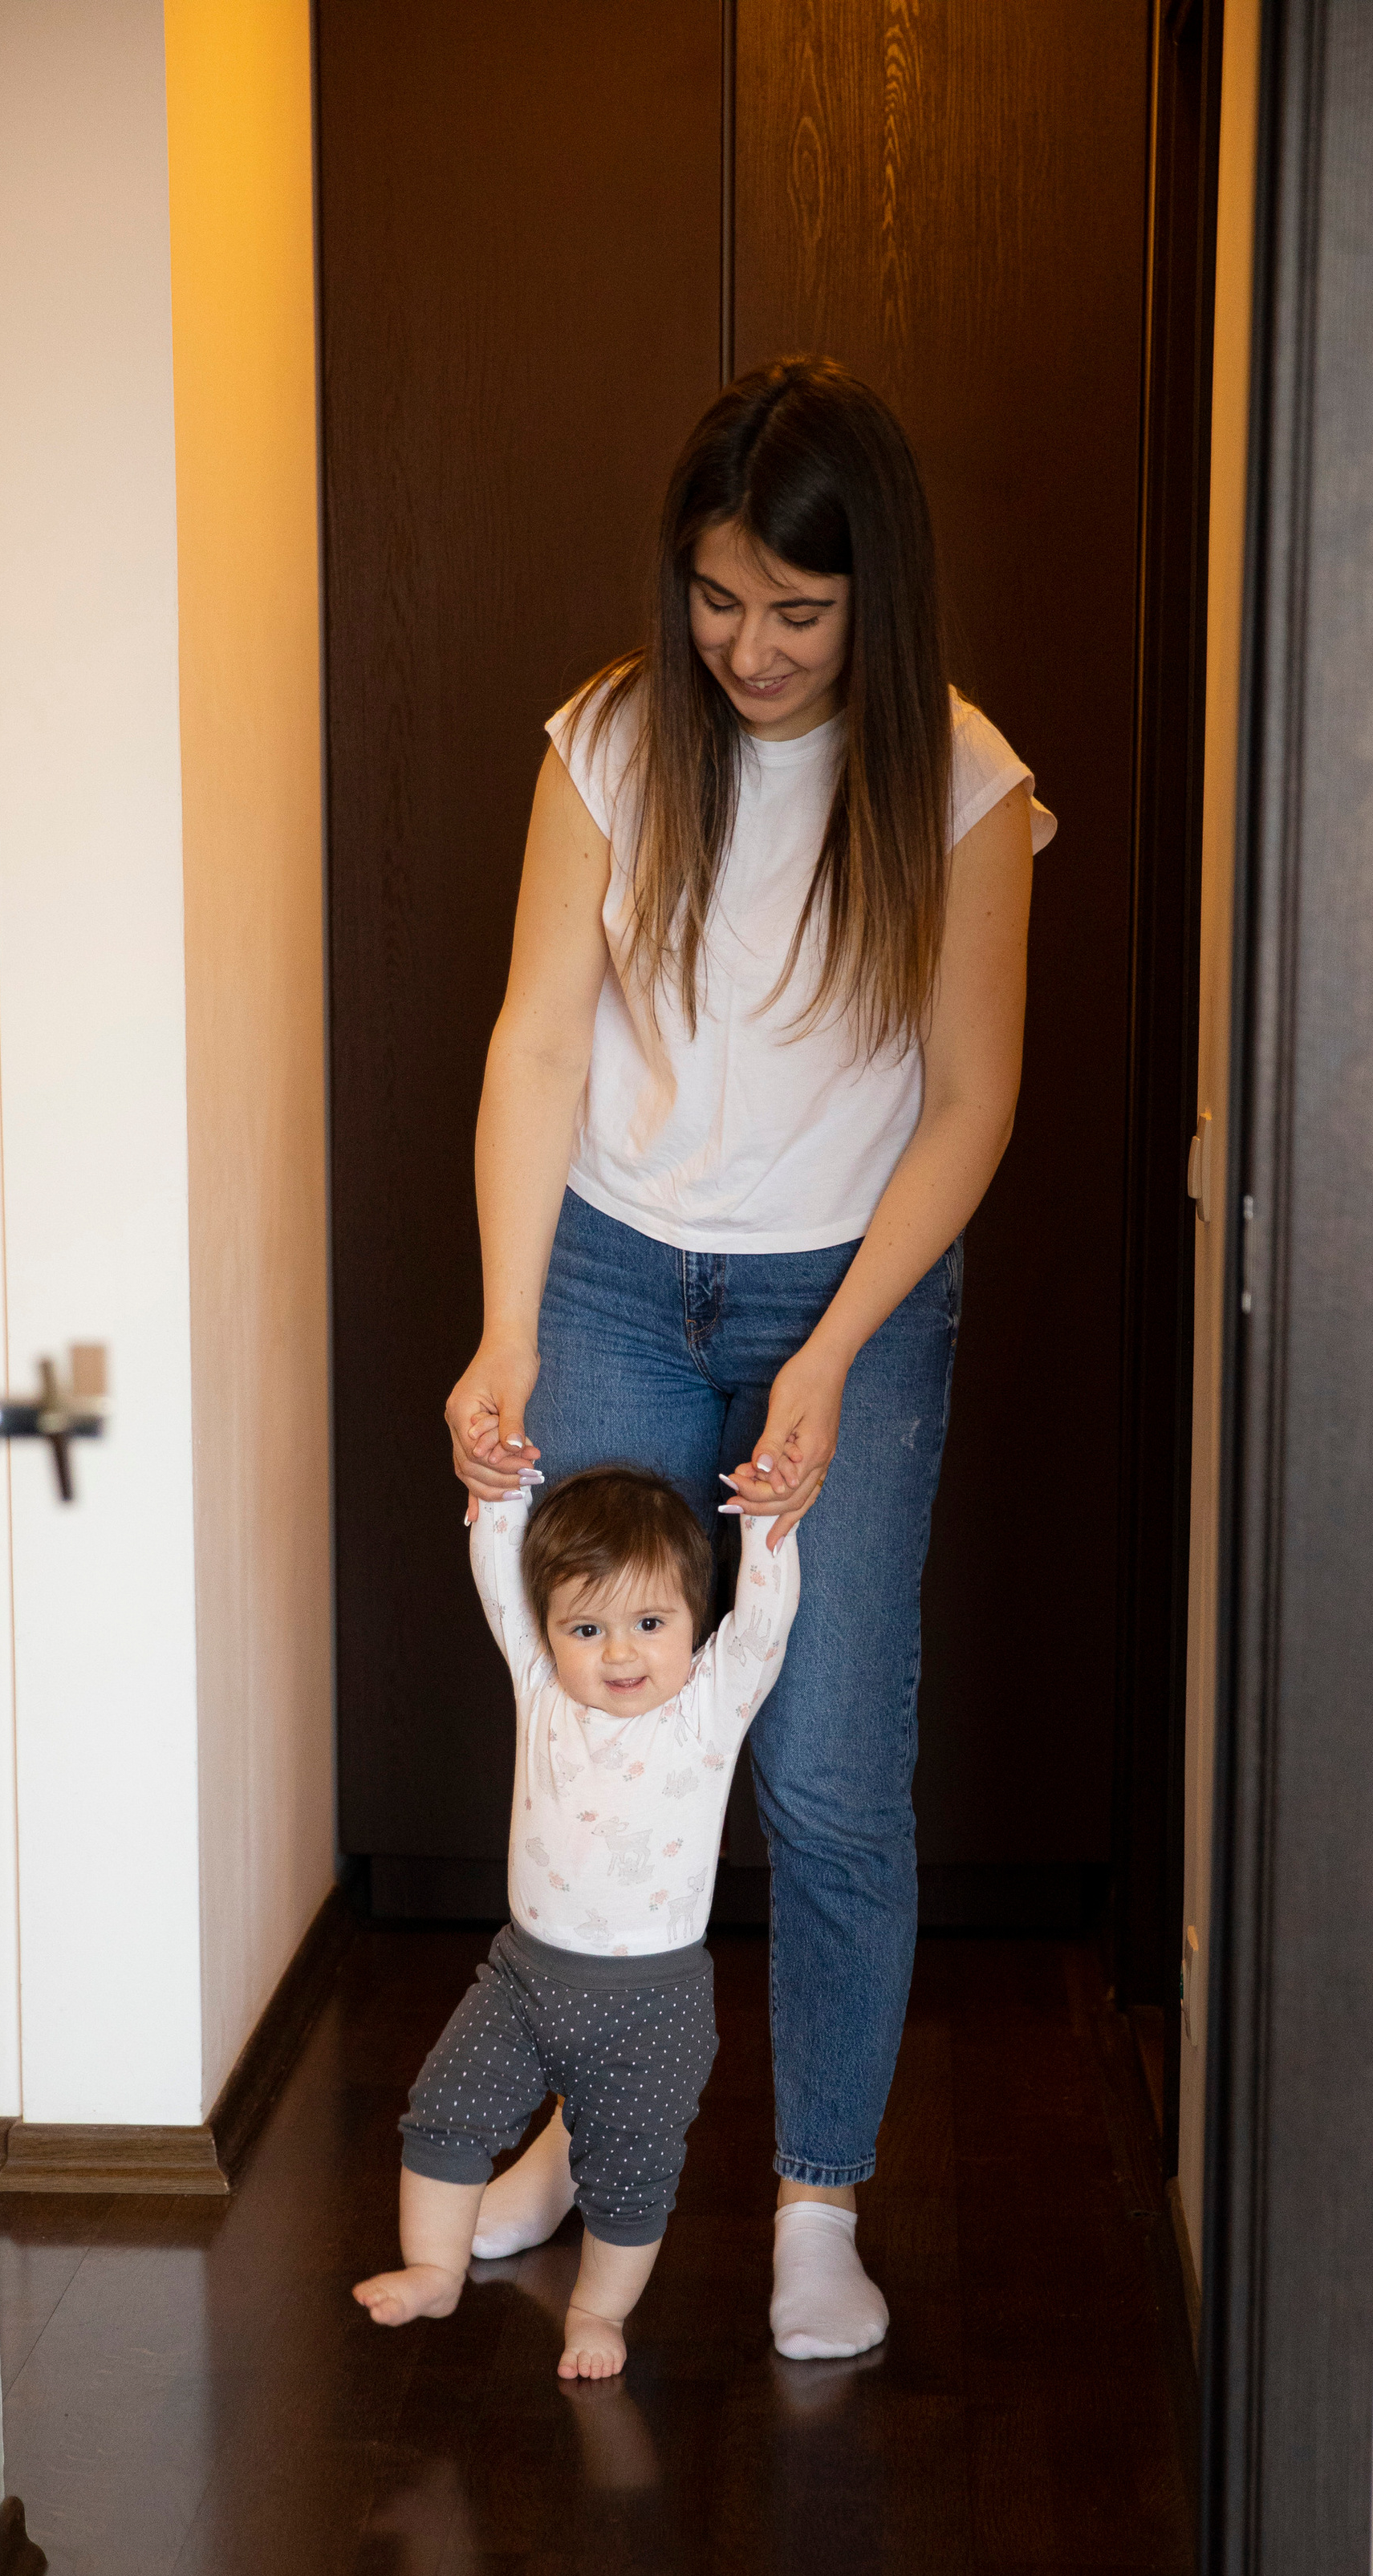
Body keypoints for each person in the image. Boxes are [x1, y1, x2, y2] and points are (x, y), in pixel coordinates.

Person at [445, 355, 1052, 2360]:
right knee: (597, 1724)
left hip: (846, 1294)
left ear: (876, 595)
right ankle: (555, 2139)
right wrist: (509, 1317)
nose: (752, 649)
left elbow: (967, 1100)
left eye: (798, 612)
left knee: (825, 1773)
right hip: (613, 1274)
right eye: (716, 601)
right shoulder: (611, 743)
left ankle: (814, 2198)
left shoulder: (959, 779)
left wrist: (838, 1348)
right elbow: (538, 1037)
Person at [353, 1463, 798, 2378]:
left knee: (629, 2180)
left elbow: (761, 1627)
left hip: (653, 2006)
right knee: (441, 2118)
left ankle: (598, 2310)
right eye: (586, 1629)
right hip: (521, 1979)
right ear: (549, 1631)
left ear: (691, 1620)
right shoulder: (544, 1687)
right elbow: (498, 1578)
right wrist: (501, 1488)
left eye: (649, 1623)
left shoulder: (705, 1711)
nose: (619, 1654)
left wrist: (764, 1526)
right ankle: (435, 2268)